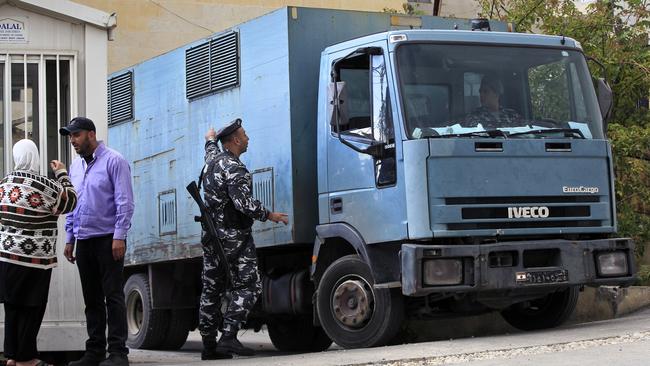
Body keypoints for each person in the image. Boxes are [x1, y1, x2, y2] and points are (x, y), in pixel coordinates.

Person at [200, 119, 288, 357]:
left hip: (211, 238)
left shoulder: (212, 162)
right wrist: (270, 215)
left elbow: (210, 150)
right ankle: (228, 337)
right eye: (245, 134)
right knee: (249, 285)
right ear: (236, 140)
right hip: (234, 238)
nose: (248, 138)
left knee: (212, 289)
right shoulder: (235, 169)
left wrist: (210, 139)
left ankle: (209, 346)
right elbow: (244, 205)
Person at [59, 117, 135, 366]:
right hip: (84, 240)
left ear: (91, 134)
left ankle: (117, 353)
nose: (72, 141)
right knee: (91, 299)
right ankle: (94, 352)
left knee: (112, 296)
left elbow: (125, 201)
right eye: (70, 136)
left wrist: (119, 236)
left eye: (76, 135)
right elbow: (73, 206)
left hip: (107, 239)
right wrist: (70, 238)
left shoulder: (115, 160)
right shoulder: (75, 167)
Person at [0, 139, 77, 366]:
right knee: (32, 307)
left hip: (6, 257)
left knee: (12, 306)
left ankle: (12, 355)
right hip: (35, 260)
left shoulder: (4, 184)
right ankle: (27, 359)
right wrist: (62, 174)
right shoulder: (46, 186)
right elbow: (71, 201)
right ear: (35, 156)